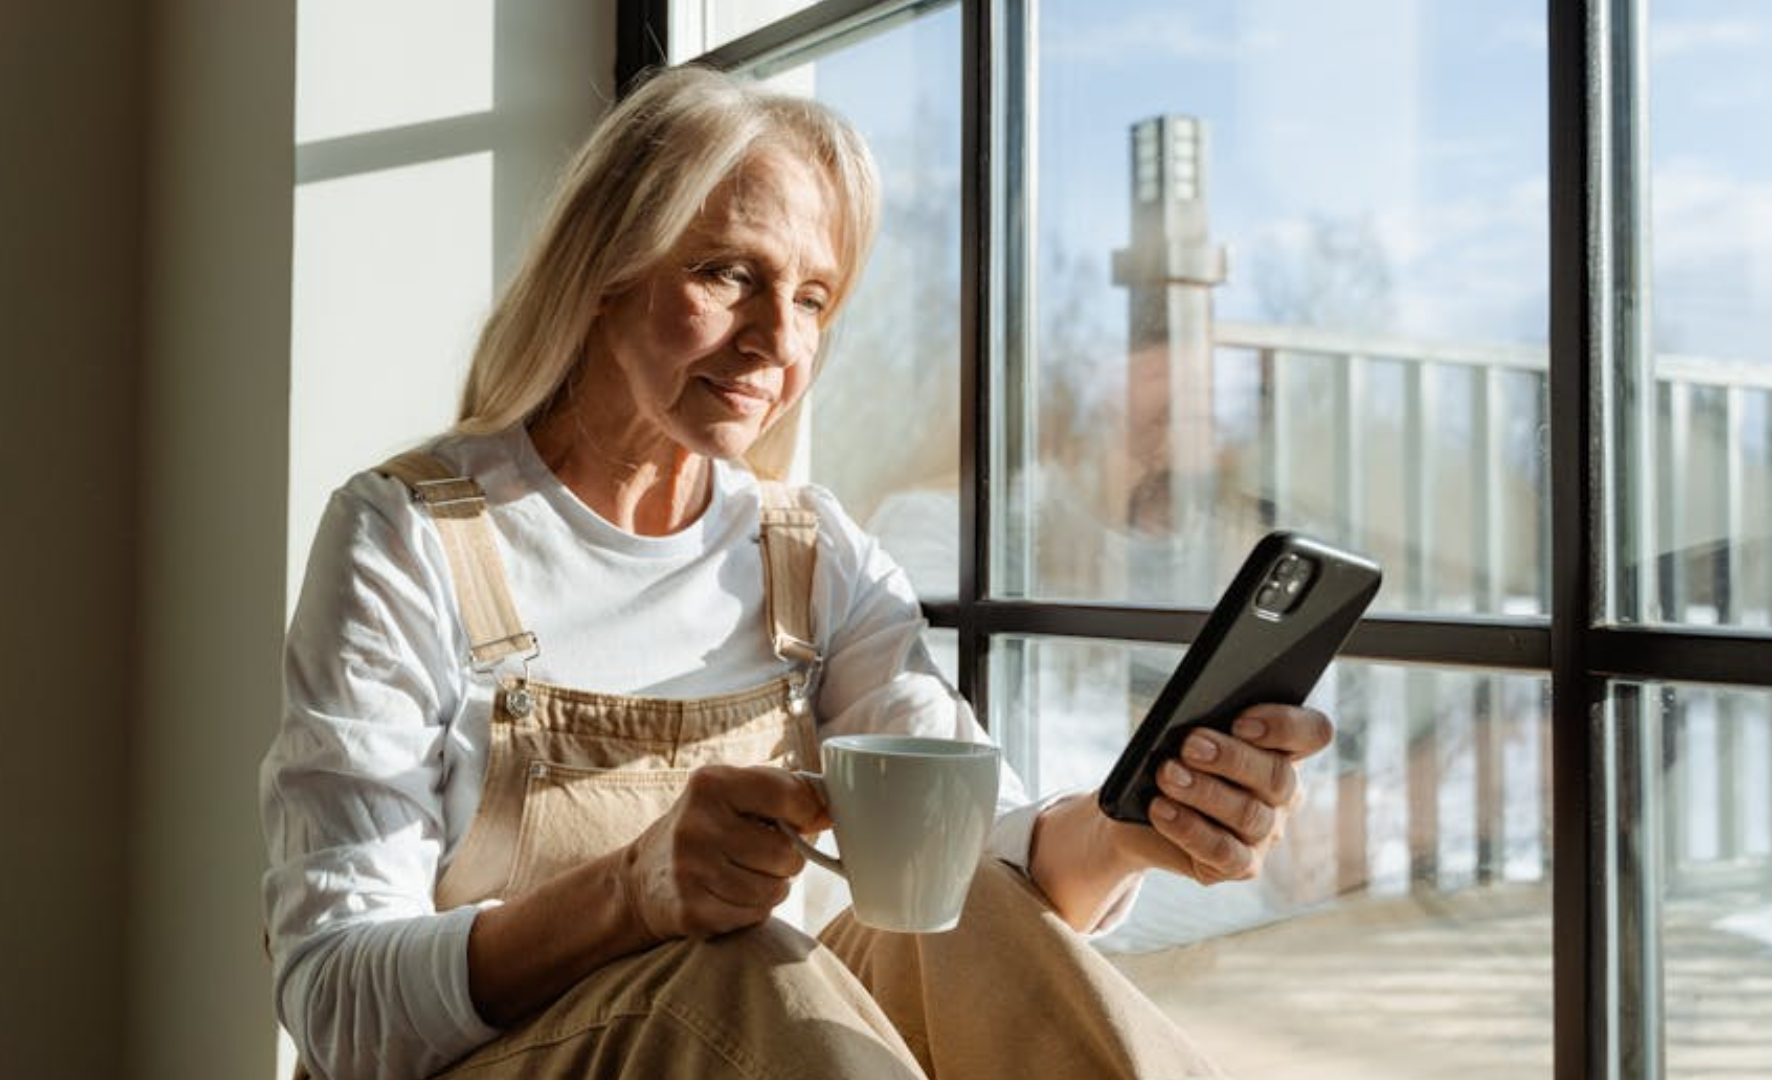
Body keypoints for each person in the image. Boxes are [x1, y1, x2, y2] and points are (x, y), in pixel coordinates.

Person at [260, 63, 1333, 1080]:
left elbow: (982, 842)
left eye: (814, 297)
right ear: (601, 272)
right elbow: (337, 1004)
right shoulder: (409, 536)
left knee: (971, 905)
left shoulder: (809, 551)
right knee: (741, 972)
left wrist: (1132, 827)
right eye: (728, 274)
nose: (778, 340)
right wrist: (632, 894)